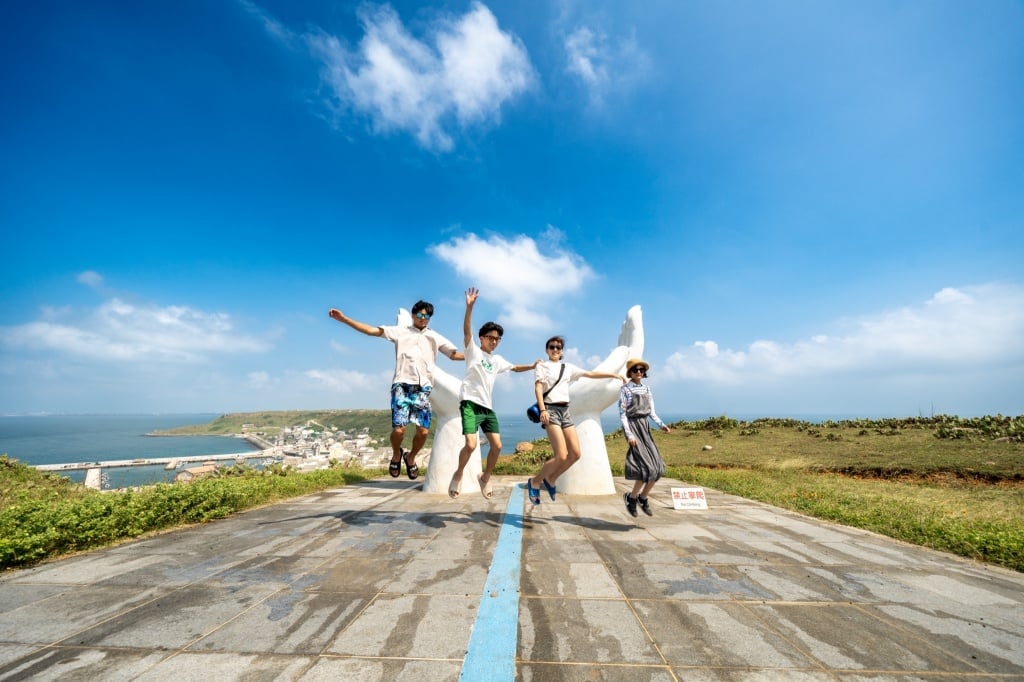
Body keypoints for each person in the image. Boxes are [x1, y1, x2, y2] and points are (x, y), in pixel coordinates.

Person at [328, 301, 464, 480]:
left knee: (423, 432)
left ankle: (411, 457)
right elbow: (371, 331)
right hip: (401, 385)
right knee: (399, 430)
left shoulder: (434, 337)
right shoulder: (401, 332)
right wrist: (344, 319)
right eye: (420, 315)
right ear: (413, 315)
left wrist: (477, 355)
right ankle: (396, 454)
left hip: (423, 388)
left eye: (427, 316)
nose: (423, 319)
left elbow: (454, 355)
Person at [449, 287, 538, 499]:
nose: (494, 341)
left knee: (497, 446)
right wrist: (469, 308)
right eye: (491, 337)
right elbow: (466, 331)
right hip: (470, 403)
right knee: (471, 444)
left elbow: (515, 368)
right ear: (482, 338)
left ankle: (485, 477)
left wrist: (533, 365)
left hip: (487, 407)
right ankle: (458, 474)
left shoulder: (497, 360)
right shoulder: (473, 351)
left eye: (497, 338)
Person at [525, 336, 626, 505]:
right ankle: (535, 481)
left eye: (558, 347)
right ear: (546, 349)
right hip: (550, 410)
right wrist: (542, 410)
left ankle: (551, 479)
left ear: (562, 351)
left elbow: (590, 374)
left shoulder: (568, 367)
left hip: (566, 411)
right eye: (552, 347)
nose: (555, 349)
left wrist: (613, 375)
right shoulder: (542, 366)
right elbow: (538, 387)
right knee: (561, 455)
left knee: (575, 454)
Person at [620, 358, 671, 517]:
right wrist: (629, 435)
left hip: (645, 428)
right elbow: (623, 415)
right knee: (646, 469)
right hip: (633, 428)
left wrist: (661, 425)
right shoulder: (625, 389)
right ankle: (632, 498)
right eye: (636, 370)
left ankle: (641, 498)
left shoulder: (647, 389)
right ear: (630, 372)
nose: (639, 372)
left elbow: (651, 412)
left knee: (658, 467)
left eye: (642, 370)